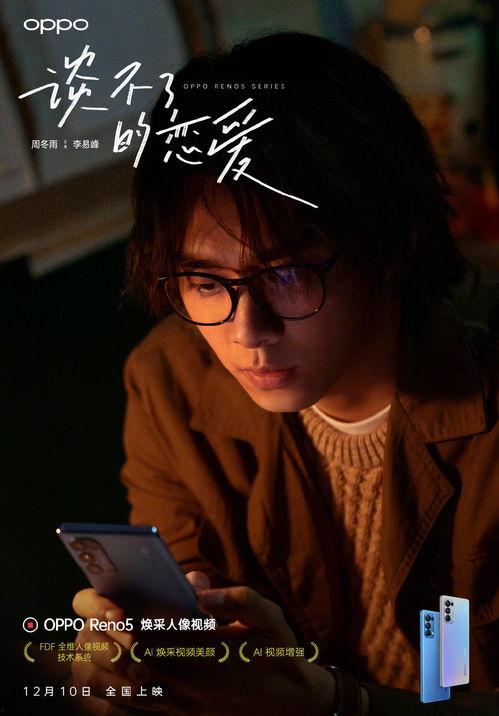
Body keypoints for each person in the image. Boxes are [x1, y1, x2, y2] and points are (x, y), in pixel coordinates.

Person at [70, 33, 499, 715]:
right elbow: (184, 609)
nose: (248, 333)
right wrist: (131, 673)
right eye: (204, 282)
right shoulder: (169, 380)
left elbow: (455, 677)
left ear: (389, 244)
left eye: (288, 274)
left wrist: (333, 703)